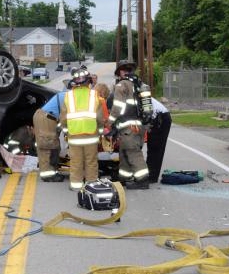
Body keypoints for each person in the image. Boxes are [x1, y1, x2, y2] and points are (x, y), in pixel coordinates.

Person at [60, 67, 104, 191]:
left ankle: (76, 185)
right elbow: (100, 118)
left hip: (74, 135)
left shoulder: (68, 96)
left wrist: (65, 131)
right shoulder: (94, 95)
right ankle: (91, 185)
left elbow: (63, 117)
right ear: (88, 81)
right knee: (91, 162)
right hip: (91, 135)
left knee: (76, 162)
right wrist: (100, 133)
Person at [107, 60, 150, 189]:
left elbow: (118, 107)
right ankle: (124, 178)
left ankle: (142, 180)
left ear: (120, 72)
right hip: (140, 126)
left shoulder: (122, 85)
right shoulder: (140, 84)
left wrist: (109, 122)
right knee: (124, 150)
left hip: (128, 126)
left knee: (133, 152)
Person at [32, 89, 67, 182]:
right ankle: (47, 174)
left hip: (49, 118)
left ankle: (52, 171)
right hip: (47, 118)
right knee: (47, 145)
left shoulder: (69, 95)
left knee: (54, 145)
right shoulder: (71, 98)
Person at [146, 97, 172, 183]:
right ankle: (150, 175)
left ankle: (152, 177)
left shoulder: (137, 98)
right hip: (157, 118)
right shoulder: (135, 96)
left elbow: (145, 117)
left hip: (161, 119)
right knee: (151, 148)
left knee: (156, 148)